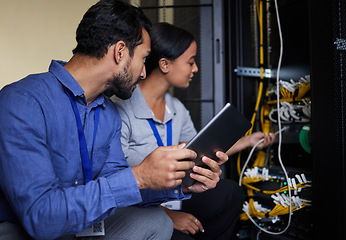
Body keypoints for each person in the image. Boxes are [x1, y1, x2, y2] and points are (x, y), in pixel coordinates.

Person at [0, 1, 228, 240]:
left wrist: (180, 183)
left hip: (84, 227)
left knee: (157, 221)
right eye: (143, 59)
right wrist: (139, 175)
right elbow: (41, 217)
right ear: (120, 52)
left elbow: (120, 184)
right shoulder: (21, 102)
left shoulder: (107, 113)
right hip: (30, 231)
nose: (142, 73)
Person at [112, 22, 275, 240]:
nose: (196, 68)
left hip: (176, 193)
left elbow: (200, 148)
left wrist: (248, 141)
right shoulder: (121, 108)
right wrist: (168, 215)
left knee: (230, 193)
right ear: (165, 64)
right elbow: (113, 183)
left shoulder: (177, 108)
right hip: (138, 206)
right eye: (190, 61)